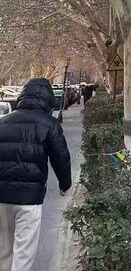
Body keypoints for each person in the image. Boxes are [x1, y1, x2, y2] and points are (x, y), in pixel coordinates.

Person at [0, 78, 72, 271]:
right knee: (24, 253)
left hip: (1, 197)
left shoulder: (3, 122)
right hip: (29, 200)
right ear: (48, 100)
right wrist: (65, 186)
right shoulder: (49, 124)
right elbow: (61, 158)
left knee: (4, 251)